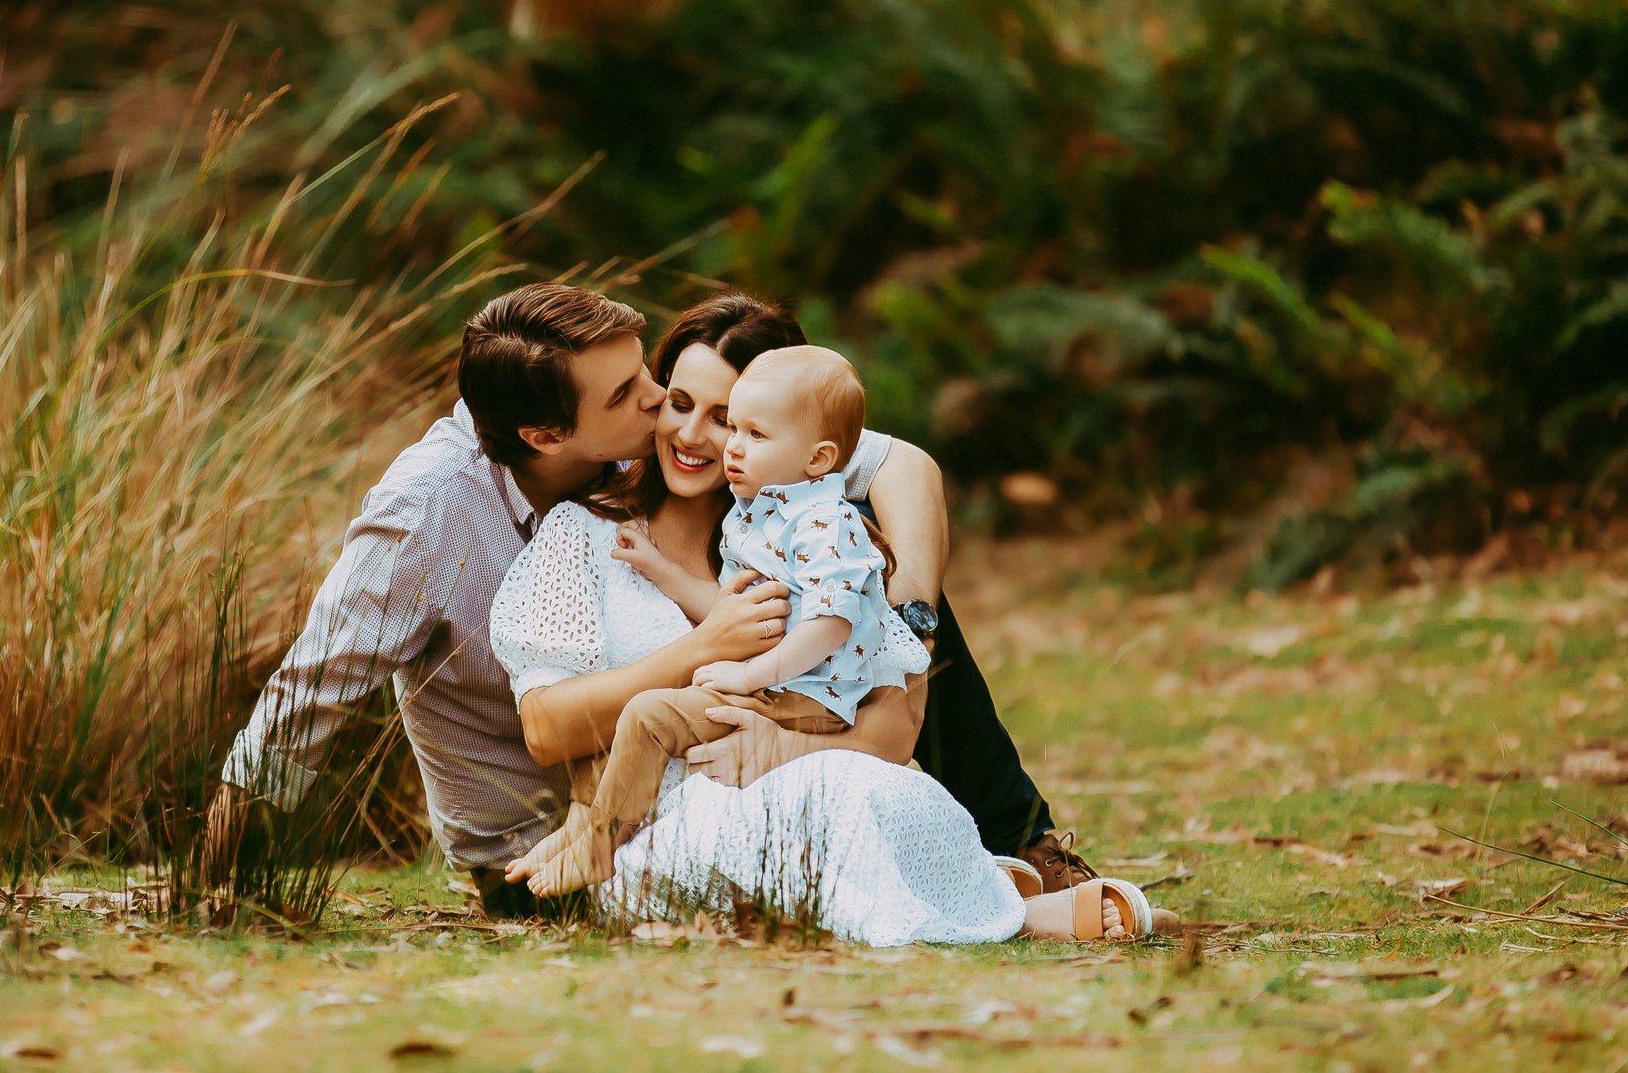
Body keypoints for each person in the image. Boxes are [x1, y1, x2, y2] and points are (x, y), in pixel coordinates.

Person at [201, 283, 1090, 917]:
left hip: (706, 794)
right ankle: (985, 885)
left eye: (717, 409)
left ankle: (1017, 845)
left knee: (859, 570)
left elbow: (898, 461)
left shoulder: (680, 454)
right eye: (644, 395)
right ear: (550, 434)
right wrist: (210, 874)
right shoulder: (434, 510)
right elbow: (313, 688)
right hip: (545, 843)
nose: (670, 410)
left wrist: (911, 606)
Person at [491, 298, 1177, 943]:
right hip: (660, 819)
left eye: (731, 419)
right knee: (806, 815)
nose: (699, 437)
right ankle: (1012, 908)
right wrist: (704, 645)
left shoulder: (802, 533)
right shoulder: (583, 533)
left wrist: (782, 745)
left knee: (856, 782)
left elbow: (889, 723)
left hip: (795, 779)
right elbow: (547, 724)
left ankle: (999, 872)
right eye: (678, 402)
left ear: (793, 440)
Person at [519, 345, 926, 896]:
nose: (726, 444)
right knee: (637, 720)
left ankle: (598, 845)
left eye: (746, 430)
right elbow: (738, 613)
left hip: (804, 695)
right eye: (731, 426)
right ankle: (588, 832)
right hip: (777, 688)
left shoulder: (826, 525)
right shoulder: (763, 515)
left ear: (817, 459)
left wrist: (748, 677)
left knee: (647, 713)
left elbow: (830, 624)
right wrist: (661, 569)